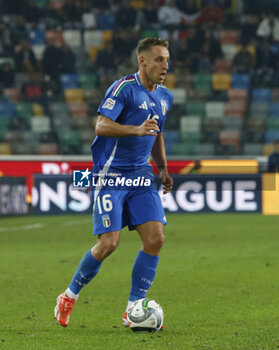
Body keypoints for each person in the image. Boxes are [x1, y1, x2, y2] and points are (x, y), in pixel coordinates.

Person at [54, 37, 174, 328]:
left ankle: (133, 307)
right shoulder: (123, 89)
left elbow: (156, 133)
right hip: (111, 177)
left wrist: (163, 169)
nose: (165, 65)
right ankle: (69, 295)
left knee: (156, 239)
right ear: (142, 61)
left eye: (167, 60)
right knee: (108, 244)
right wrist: (135, 130)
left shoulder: (165, 96)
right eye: (159, 59)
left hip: (142, 177)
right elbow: (101, 125)